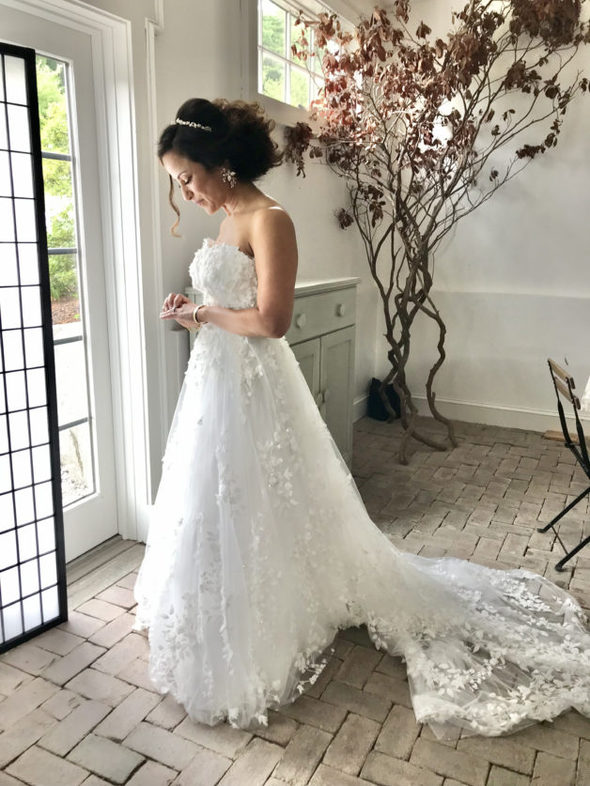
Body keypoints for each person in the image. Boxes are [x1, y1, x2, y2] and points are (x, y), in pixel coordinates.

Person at [132, 97, 590, 740]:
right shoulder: (228, 217)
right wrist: (193, 308)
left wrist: (202, 316)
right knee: (219, 496)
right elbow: (226, 299)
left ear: (221, 164)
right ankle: (220, 601)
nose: (183, 192)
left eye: (186, 178)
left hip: (255, 381)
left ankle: (279, 606)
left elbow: (270, 322)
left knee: (260, 492)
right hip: (216, 380)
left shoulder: (271, 219)